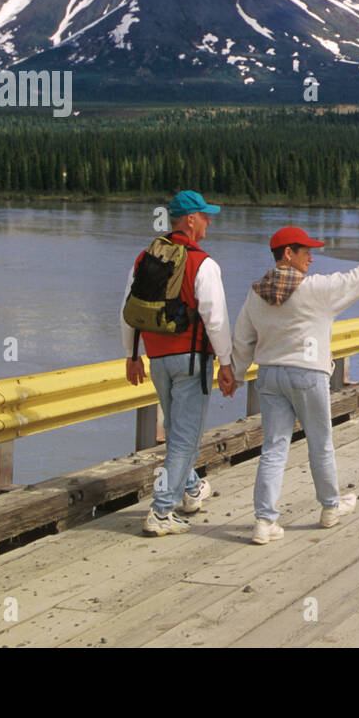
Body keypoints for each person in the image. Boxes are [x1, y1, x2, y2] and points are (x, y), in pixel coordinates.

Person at [230, 227, 359, 544]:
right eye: (304, 250)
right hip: (308, 375)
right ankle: (330, 508)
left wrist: (236, 374)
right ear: (287, 254)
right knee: (320, 443)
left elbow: (242, 338)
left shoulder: (257, 292)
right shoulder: (317, 289)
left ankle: (264, 521)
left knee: (274, 449)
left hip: (270, 376)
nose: (311, 255)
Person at [122, 190, 236, 536]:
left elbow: (127, 312)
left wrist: (131, 356)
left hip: (157, 359)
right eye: (204, 215)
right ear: (190, 220)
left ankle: (191, 489)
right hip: (191, 360)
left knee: (176, 431)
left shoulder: (145, 258)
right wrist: (227, 364)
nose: (209, 221)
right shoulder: (203, 263)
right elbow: (215, 319)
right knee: (185, 437)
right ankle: (160, 511)